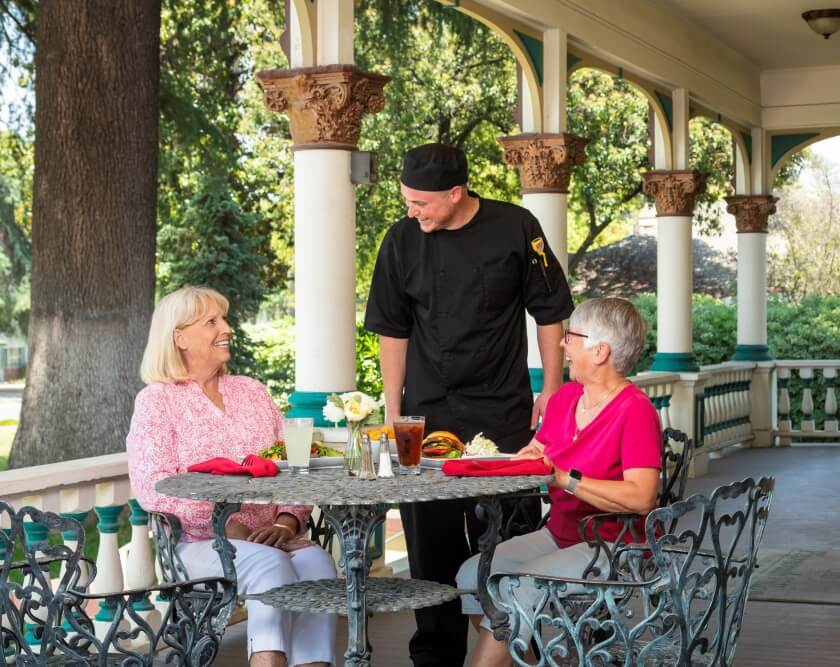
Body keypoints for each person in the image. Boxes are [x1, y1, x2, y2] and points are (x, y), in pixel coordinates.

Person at [364, 143, 575, 666]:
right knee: (429, 548)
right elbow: (392, 330)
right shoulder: (400, 239)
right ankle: (434, 659)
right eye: (407, 201)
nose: (412, 212)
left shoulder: (517, 227)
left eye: (422, 203)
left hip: (503, 417)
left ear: (456, 193)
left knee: (508, 543)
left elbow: (549, 311)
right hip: (426, 416)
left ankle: (515, 649)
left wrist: (551, 387)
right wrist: (394, 411)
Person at [127, 286, 336, 667]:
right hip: (197, 543)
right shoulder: (158, 400)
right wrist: (229, 527)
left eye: (223, 318)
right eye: (211, 321)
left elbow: (290, 465)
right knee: (270, 566)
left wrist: (288, 523)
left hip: (272, 539)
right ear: (179, 337)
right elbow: (153, 488)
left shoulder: (252, 392)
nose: (226, 328)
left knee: (318, 565)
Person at [455, 297, 663, 667]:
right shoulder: (566, 398)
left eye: (572, 336)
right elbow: (538, 453)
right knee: (472, 574)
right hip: (560, 534)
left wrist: (566, 480)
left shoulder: (636, 411)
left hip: (613, 545)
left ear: (600, 351)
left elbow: (642, 497)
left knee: (514, 587)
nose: (563, 344)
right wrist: (515, 458)